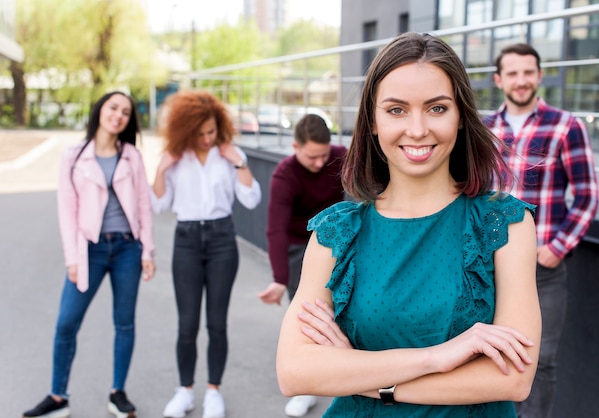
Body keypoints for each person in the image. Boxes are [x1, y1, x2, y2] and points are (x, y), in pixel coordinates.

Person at [276, 32, 542, 417]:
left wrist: (357, 373)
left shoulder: (504, 223)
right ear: (372, 122)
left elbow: (513, 378)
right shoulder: (336, 232)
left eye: (436, 108)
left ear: (461, 117)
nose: (417, 129)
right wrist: (439, 357)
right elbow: (294, 372)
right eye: (396, 110)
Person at [22, 91, 156, 418]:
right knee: (67, 322)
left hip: (127, 247)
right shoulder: (73, 155)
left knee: (124, 324)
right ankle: (57, 397)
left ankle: (117, 393)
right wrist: (72, 258)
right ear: (100, 110)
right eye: (113, 108)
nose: (119, 115)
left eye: (125, 112)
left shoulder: (131, 156)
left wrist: (147, 251)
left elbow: (143, 205)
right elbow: (67, 210)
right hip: (89, 250)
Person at [483, 43, 599, 418]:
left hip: (543, 269)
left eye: (528, 72)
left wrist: (558, 247)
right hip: (490, 266)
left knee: (540, 362)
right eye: (513, 73)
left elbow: (587, 196)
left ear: (539, 75)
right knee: (489, 356)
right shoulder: (484, 130)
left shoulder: (566, 126)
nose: (521, 81)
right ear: (500, 79)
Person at [151, 90, 262, 418]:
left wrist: (238, 162)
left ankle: (214, 391)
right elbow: (158, 204)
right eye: (199, 133)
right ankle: (184, 391)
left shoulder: (230, 154)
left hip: (221, 239)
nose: (205, 138)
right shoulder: (176, 156)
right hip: (186, 239)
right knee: (187, 325)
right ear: (186, 130)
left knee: (217, 323)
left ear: (220, 126)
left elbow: (252, 198)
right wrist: (160, 171)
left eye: (211, 131)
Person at [257, 113, 346, 417]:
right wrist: (280, 278)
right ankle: (306, 388)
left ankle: (349, 375)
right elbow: (275, 229)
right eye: (311, 157)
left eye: (324, 155)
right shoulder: (285, 174)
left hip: (338, 241)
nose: (320, 163)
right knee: (309, 317)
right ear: (295, 146)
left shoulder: (339, 157)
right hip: (299, 246)